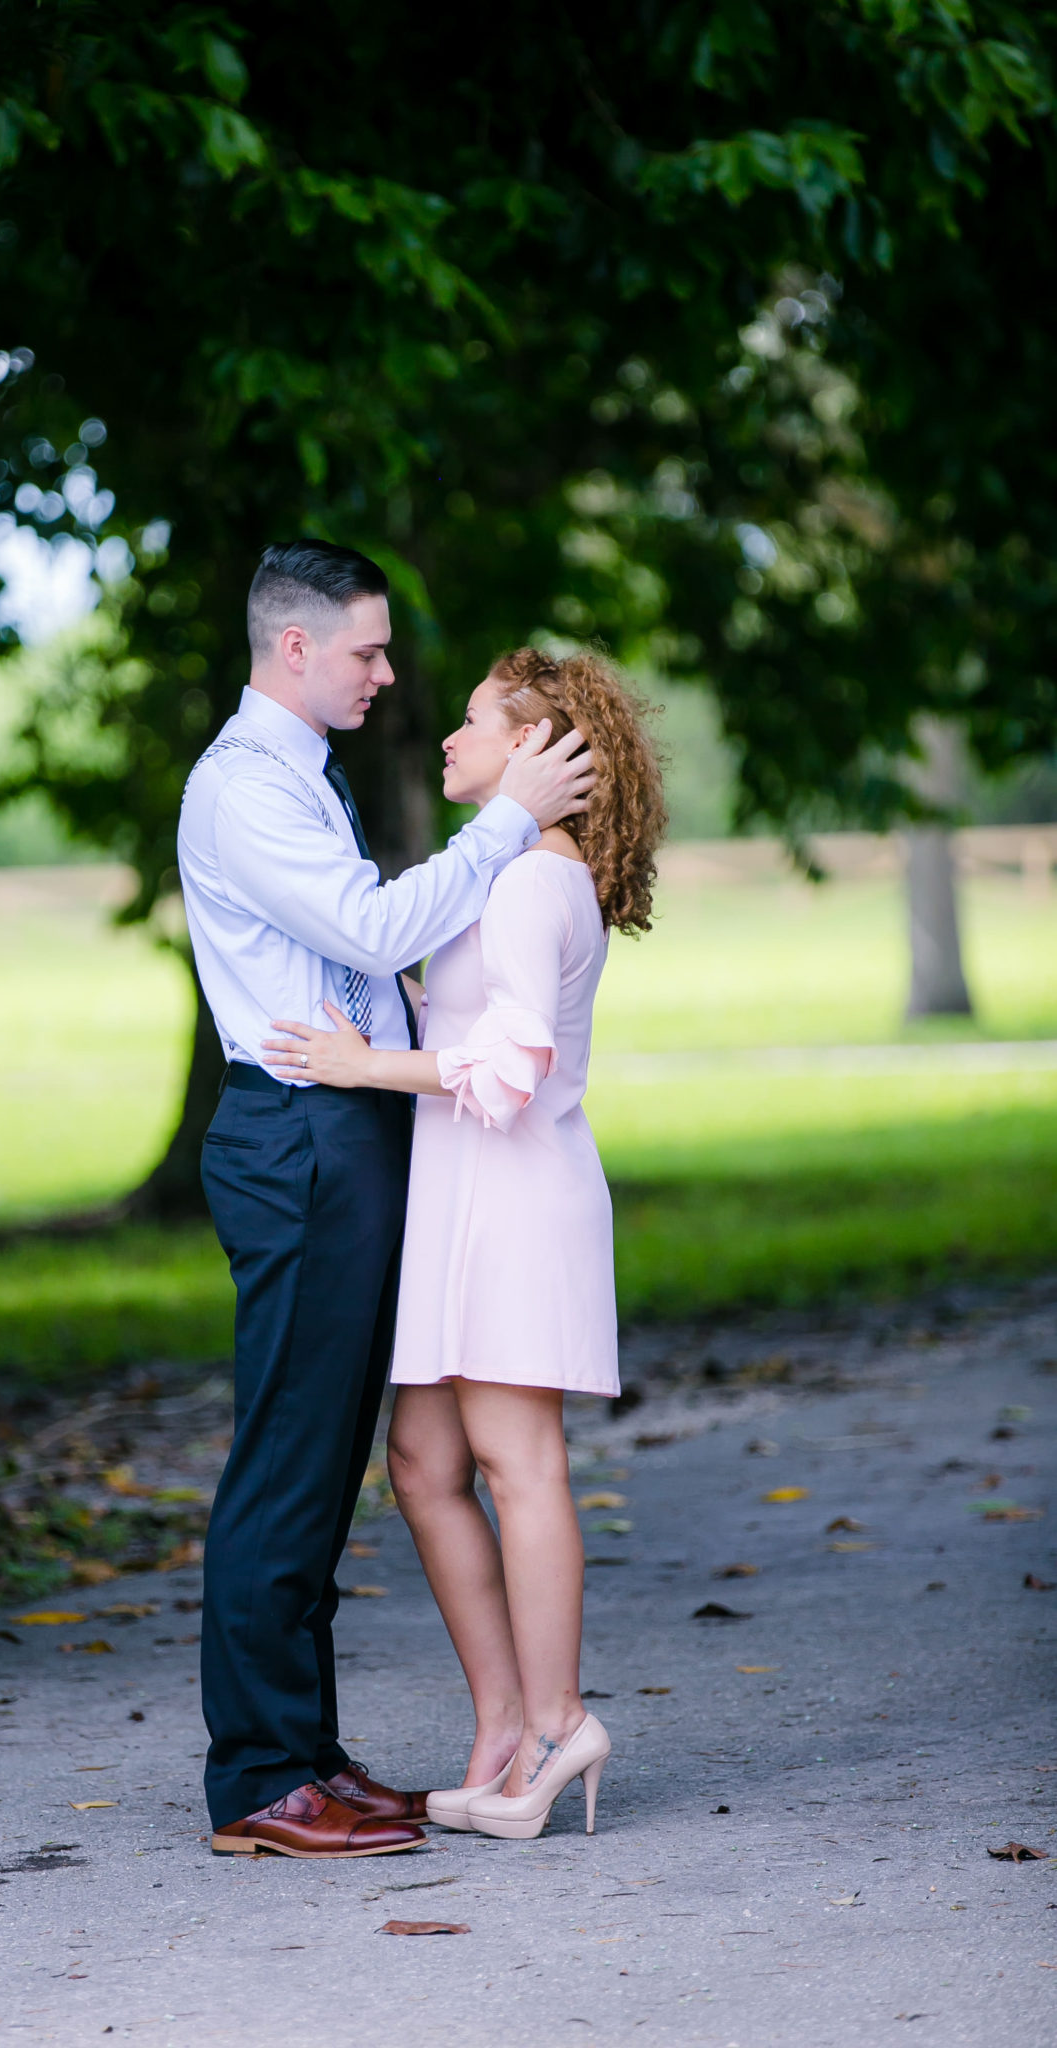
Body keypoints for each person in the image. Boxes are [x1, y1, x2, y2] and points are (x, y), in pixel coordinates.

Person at [177, 544, 597, 1859]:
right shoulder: (246, 788)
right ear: (292, 648)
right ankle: (258, 1775)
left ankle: (303, 1751)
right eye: (365, 650)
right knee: (287, 1464)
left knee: (322, 1463)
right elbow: (369, 931)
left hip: (349, 1127)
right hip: (298, 1133)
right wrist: (512, 818)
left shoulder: (303, 776)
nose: (386, 672)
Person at [266, 645, 666, 1841]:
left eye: (478, 723)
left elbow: (513, 1063)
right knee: (427, 1461)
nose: (447, 737)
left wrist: (362, 1065)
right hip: (464, 1195)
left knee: (514, 1455)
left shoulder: (538, 884)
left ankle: (556, 1725)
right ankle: (500, 1723)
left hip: (516, 1196)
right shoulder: (506, 877)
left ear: (537, 751)